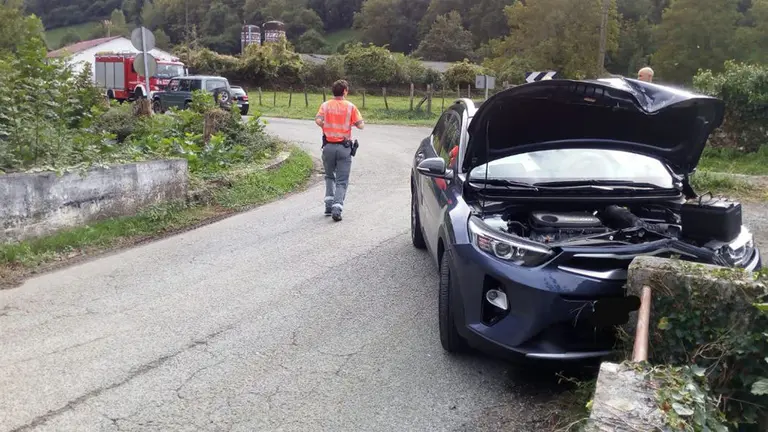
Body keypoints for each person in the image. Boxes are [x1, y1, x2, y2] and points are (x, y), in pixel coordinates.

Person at [315, 79, 364, 221]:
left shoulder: (325, 105)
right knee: (342, 180)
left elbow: (318, 120)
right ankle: (337, 206)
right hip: (344, 148)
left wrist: (326, 125)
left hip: (328, 146)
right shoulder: (350, 107)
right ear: (345, 91)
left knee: (330, 176)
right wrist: (350, 123)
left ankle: (328, 205)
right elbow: (361, 125)